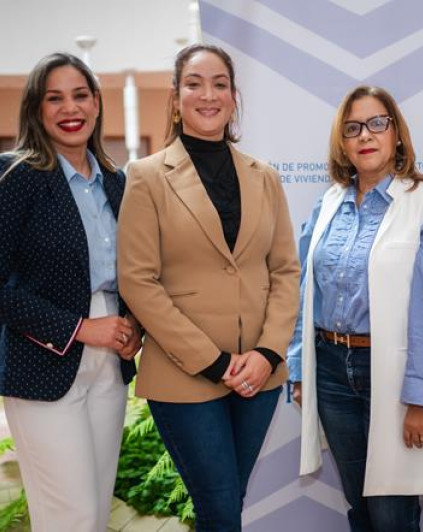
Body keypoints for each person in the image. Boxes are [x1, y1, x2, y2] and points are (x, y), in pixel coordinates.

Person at [116, 44, 300, 532]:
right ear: (176, 98)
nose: (208, 94)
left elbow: (284, 271)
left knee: (228, 502)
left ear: (234, 97)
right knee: (220, 505)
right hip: (186, 375)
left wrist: (268, 352)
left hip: (259, 376)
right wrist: (215, 362)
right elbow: (138, 280)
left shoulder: (265, 178)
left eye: (220, 84)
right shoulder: (146, 177)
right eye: (194, 83)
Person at [0, 52, 140, 532]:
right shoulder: (16, 174)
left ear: (97, 103)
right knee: (71, 516)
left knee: (96, 510)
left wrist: (134, 329)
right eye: (54, 98)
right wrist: (81, 328)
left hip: (111, 362)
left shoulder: (116, 181)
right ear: (36, 109)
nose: (70, 108)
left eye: (80, 95)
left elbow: (134, 273)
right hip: (40, 362)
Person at [288, 85, 423, 532]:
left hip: (394, 375)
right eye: (353, 128)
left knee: (392, 514)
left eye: (376, 123)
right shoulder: (328, 204)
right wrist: (299, 368)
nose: (365, 135)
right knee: (360, 505)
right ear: (343, 142)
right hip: (331, 370)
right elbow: (304, 289)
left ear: (397, 135)